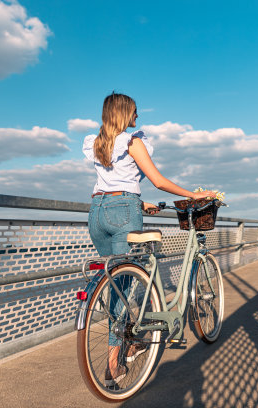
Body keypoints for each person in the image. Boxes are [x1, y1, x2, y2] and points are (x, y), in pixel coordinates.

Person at [83, 92, 215, 386]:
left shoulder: (97, 142)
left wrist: (139, 202)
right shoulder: (132, 141)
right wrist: (194, 194)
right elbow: (157, 180)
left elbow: (110, 184)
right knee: (126, 284)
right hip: (122, 213)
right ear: (124, 113)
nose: (137, 117)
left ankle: (127, 342)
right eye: (134, 112)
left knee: (115, 282)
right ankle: (114, 365)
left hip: (96, 213)